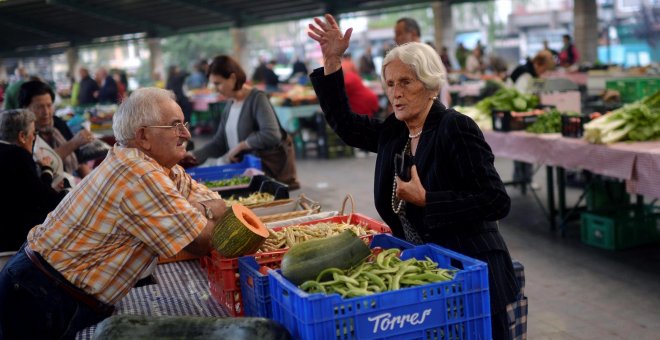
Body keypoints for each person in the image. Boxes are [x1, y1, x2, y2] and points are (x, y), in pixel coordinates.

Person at [307, 14, 519, 338]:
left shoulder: (455, 127)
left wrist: (428, 200)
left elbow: (495, 200)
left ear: (430, 83)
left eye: (406, 82)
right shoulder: (396, 132)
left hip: (473, 270)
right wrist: (333, 60)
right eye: (390, 84)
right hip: (431, 271)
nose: (396, 93)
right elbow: (347, 126)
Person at [0, 87, 227, 339]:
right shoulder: (140, 172)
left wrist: (199, 209)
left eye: (183, 123)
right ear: (143, 137)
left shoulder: (152, 165)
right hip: (40, 293)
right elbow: (201, 240)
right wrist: (206, 211)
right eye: (174, 125)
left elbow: (211, 198)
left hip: (46, 286)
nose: (186, 133)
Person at [186, 55, 300, 190]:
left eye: (218, 83)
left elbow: (271, 134)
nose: (215, 89)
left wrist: (242, 146)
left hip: (266, 176)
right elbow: (219, 143)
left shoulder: (257, 99)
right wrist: (193, 156)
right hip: (245, 175)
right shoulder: (230, 104)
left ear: (233, 78)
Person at [0, 109, 68, 253]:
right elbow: (47, 201)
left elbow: (31, 190)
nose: (34, 137)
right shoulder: (18, 156)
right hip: (14, 242)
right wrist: (48, 171)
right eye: (33, 134)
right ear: (22, 136)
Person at [19, 80, 94, 178]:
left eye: (49, 105)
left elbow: (79, 161)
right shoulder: (23, 134)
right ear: (25, 108)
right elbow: (40, 164)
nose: (46, 112)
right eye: (39, 107)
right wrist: (73, 143)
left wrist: (90, 183)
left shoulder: (58, 123)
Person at [508, 51, 555, 188]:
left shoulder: (528, 71)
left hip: (517, 114)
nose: (543, 73)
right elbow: (521, 98)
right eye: (544, 69)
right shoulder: (526, 75)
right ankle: (524, 179)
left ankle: (521, 179)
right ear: (538, 64)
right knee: (523, 148)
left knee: (521, 148)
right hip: (517, 116)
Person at [394, 17, 450, 107]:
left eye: (399, 34)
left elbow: (441, 92)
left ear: (413, 34)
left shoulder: (425, 57)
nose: (395, 38)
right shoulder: (407, 59)